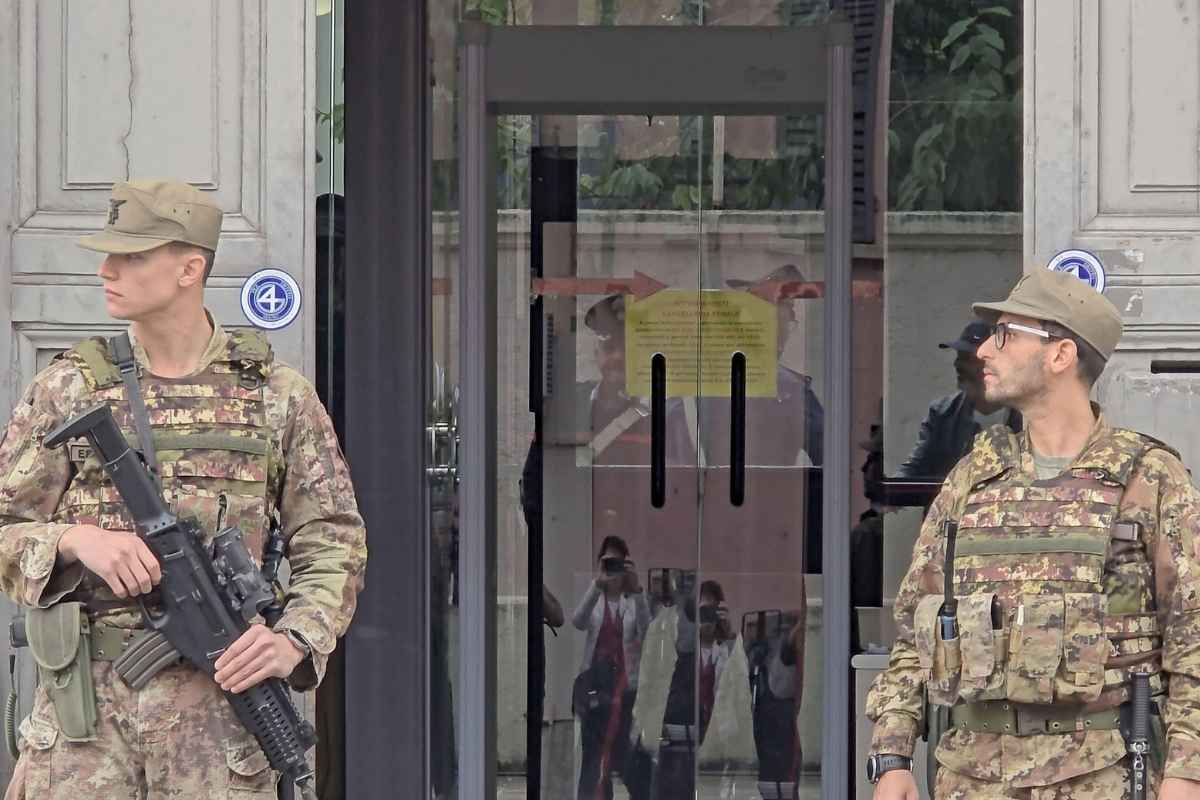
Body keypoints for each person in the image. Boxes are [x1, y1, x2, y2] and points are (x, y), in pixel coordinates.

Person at [0, 180, 367, 799]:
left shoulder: (276, 395)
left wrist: (294, 638)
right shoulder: (69, 387)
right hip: (84, 723)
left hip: (220, 722)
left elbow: (332, 538)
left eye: (132, 256)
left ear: (189, 268)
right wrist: (74, 540)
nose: (106, 269)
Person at [865, 268, 1200, 799]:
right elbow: (916, 627)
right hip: (968, 779)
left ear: (1060, 355)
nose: (984, 352)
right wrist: (893, 755)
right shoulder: (972, 477)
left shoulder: (1149, 477)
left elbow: (1193, 637)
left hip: (1100, 779)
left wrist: (1186, 773)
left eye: (1005, 335)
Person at [572, 536, 652, 800]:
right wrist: (597, 584)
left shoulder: (632, 601)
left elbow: (647, 630)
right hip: (595, 691)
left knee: (624, 757)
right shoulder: (595, 597)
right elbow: (578, 621)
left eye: (619, 563)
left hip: (624, 692)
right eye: (608, 562)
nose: (614, 569)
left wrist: (638, 590)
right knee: (593, 760)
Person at [897, 320, 1022, 479]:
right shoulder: (943, 412)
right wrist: (888, 496)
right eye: (958, 357)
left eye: (968, 358)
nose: (957, 364)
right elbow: (914, 469)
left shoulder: (1025, 414)